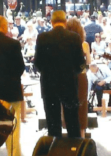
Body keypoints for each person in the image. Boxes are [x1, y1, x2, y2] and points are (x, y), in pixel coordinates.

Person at [34, 10, 86, 138]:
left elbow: (37, 63)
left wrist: (46, 73)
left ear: (51, 22)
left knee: (53, 124)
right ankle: (74, 154)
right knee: (73, 123)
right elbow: (81, 63)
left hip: (49, 86)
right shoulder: (74, 38)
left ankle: (55, 154)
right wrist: (74, 73)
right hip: (69, 85)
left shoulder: (42, 38)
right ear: (65, 21)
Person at [0, 16, 28, 156]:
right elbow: (20, 68)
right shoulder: (13, 44)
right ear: (4, 27)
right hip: (10, 91)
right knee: (13, 128)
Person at [65, 18, 91, 137]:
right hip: (81, 77)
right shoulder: (84, 44)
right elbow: (88, 63)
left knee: (68, 106)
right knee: (82, 107)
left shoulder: (65, 44)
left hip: (67, 77)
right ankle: (82, 137)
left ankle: (71, 138)